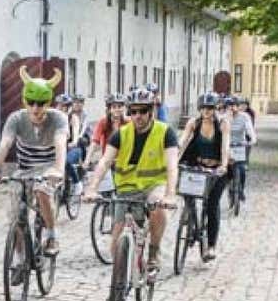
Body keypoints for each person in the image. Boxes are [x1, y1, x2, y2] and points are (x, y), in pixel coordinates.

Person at [84, 88, 179, 273]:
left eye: (143, 111)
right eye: (133, 111)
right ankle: (116, 291)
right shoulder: (121, 134)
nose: (138, 116)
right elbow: (104, 162)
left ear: (151, 111)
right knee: (115, 245)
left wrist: (170, 195)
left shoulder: (165, 132)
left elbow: (172, 166)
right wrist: (92, 188)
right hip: (126, 188)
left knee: (157, 206)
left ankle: (153, 251)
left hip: (154, 185)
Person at [0, 66, 67, 256]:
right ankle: (20, 260)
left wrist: (58, 169)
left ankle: (51, 236)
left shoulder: (58, 119)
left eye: (40, 104)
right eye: (31, 103)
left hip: (48, 170)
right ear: (25, 101)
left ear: (47, 103)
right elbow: (5, 144)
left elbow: (60, 143)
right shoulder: (16, 118)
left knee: (42, 192)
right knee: (16, 215)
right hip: (24, 171)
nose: (35, 108)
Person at [178, 92, 231, 261]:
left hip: (216, 170)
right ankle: (190, 218)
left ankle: (211, 245)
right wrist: (174, 160)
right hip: (197, 165)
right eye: (204, 108)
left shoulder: (222, 124)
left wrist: (223, 165)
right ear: (199, 109)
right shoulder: (194, 123)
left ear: (215, 109)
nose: (207, 111)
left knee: (212, 205)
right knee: (188, 194)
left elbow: (225, 146)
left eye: (210, 108)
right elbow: (183, 141)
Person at [226, 96, 257, 203]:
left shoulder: (245, 117)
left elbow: (249, 130)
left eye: (234, 106)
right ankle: (230, 187)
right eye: (229, 106)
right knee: (227, 171)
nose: (231, 108)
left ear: (238, 107)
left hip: (240, 145)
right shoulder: (223, 118)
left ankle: (241, 189)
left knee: (242, 170)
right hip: (227, 147)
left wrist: (252, 140)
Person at [85, 93, 129, 167]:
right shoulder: (103, 122)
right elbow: (95, 141)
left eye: (120, 106)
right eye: (114, 107)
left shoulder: (129, 122)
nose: (117, 109)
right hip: (108, 160)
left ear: (124, 108)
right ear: (109, 109)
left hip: (125, 161)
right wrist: (87, 159)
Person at [66, 94, 89, 195]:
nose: (77, 105)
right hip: (69, 138)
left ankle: (82, 165)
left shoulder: (84, 115)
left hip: (83, 136)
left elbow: (83, 127)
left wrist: (78, 137)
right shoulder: (69, 114)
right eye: (75, 102)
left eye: (80, 102)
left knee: (81, 142)